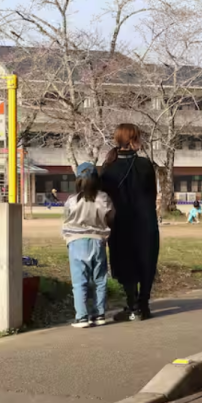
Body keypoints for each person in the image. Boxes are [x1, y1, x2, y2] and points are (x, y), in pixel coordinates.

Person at [101, 123, 160, 321]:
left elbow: (104, 199)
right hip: (146, 223)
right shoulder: (145, 165)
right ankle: (143, 306)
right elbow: (152, 195)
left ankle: (132, 305)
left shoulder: (108, 167)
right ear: (132, 140)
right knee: (146, 262)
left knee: (124, 263)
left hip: (120, 224)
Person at [62, 162, 114, 328]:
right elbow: (111, 216)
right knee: (100, 279)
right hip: (97, 241)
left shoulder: (71, 200)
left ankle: (82, 316)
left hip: (76, 242)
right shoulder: (103, 197)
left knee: (79, 281)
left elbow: (66, 217)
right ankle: (99, 314)